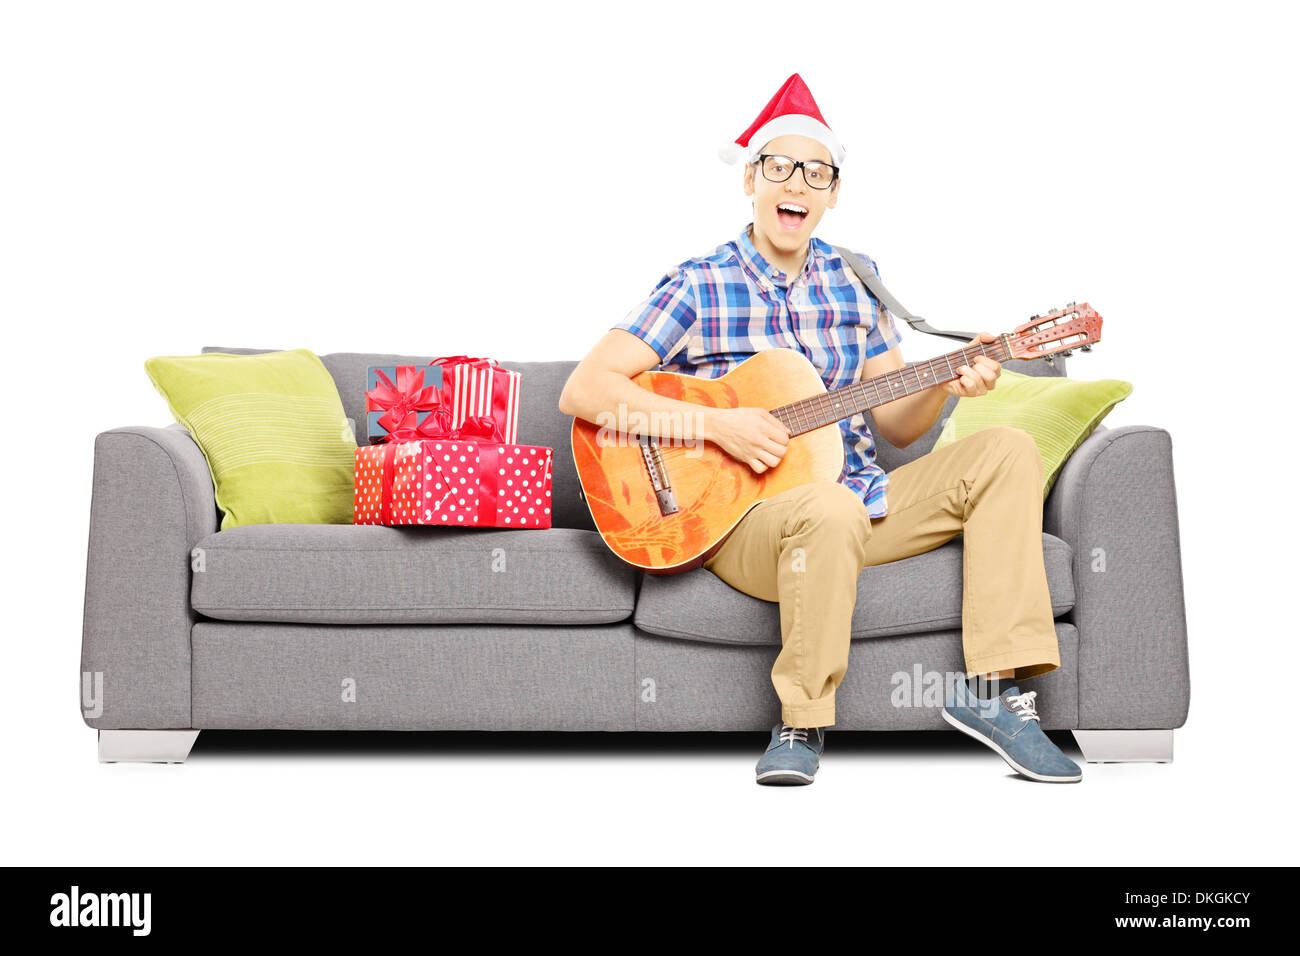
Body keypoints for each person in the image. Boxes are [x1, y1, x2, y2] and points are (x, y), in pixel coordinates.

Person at [557, 73, 1081, 786]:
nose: (795, 183)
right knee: (826, 505)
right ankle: (800, 721)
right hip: (745, 524)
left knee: (1006, 450)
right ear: (750, 179)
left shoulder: (857, 282)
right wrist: (723, 426)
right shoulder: (699, 282)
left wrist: (947, 385)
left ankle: (992, 693)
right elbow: (586, 391)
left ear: (833, 192)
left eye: (815, 171)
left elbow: (895, 421)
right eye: (778, 166)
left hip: (861, 503)